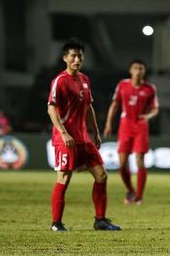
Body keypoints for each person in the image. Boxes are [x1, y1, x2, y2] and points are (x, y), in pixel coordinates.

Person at [47, 38, 121, 232]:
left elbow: (89, 108)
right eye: (73, 56)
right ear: (65, 58)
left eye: (80, 55)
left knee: (102, 176)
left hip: (84, 139)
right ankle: (56, 223)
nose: (77, 59)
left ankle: (100, 220)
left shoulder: (85, 80)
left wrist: (95, 132)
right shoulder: (60, 81)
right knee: (63, 179)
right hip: (66, 140)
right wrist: (63, 133)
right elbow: (51, 110)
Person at [104, 59, 159, 205]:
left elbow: (155, 109)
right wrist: (109, 123)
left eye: (141, 68)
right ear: (130, 70)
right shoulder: (123, 85)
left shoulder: (150, 88)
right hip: (125, 125)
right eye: (135, 68)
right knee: (122, 163)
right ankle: (130, 190)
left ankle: (139, 196)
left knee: (139, 160)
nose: (138, 71)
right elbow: (115, 105)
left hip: (141, 126)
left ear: (144, 71)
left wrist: (147, 116)